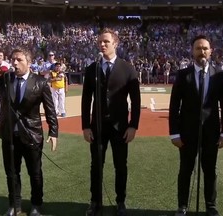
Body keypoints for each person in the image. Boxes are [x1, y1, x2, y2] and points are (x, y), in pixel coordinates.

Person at [0, 46, 59, 216]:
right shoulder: (6, 78)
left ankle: (36, 204)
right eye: (13, 59)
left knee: (35, 173)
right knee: (12, 173)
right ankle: (15, 205)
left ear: (29, 62)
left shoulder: (40, 82)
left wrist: (53, 132)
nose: (14, 62)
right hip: (9, 135)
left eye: (19, 59)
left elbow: (50, 110)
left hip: (31, 135)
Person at [169, 35, 223, 216]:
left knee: (210, 171)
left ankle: (211, 206)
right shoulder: (182, 75)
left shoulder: (219, 75)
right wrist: (174, 133)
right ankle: (182, 206)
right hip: (187, 133)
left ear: (210, 51)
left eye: (205, 48)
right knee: (185, 170)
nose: (201, 51)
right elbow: (174, 106)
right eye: (198, 48)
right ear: (192, 51)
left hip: (211, 133)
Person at [81, 28, 141, 216]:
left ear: (115, 44)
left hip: (120, 127)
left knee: (120, 165)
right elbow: (86, 100)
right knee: (96, 165)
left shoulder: (127, 68)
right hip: (97, 127)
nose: (102, 44)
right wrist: (85, 126)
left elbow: (136, 100)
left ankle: (121, 201)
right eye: (100, 41)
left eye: (106, 41)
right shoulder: (92, 69)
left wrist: (133, 125)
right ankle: (95, 201)